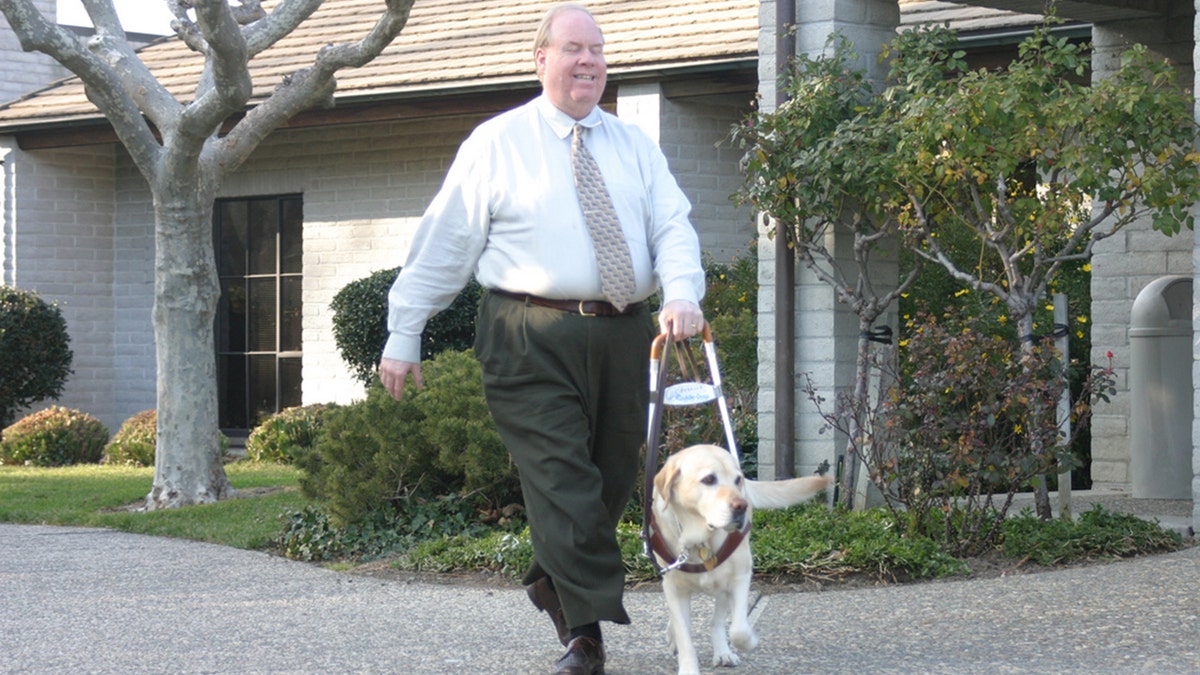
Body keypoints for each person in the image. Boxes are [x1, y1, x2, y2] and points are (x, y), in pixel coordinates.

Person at [378, 3, 705, 673]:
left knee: (613, 477)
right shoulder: (497, 143)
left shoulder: (634, 145)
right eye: (573, 49)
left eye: (598, 50)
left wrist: (680, 291)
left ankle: (550, 578)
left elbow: (672, 224)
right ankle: (585, 636)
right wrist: (403, 330)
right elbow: (445, 245)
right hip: (527, 333)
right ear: (541, 58)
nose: (589, 61)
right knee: (564, 481)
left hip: (625, 334)